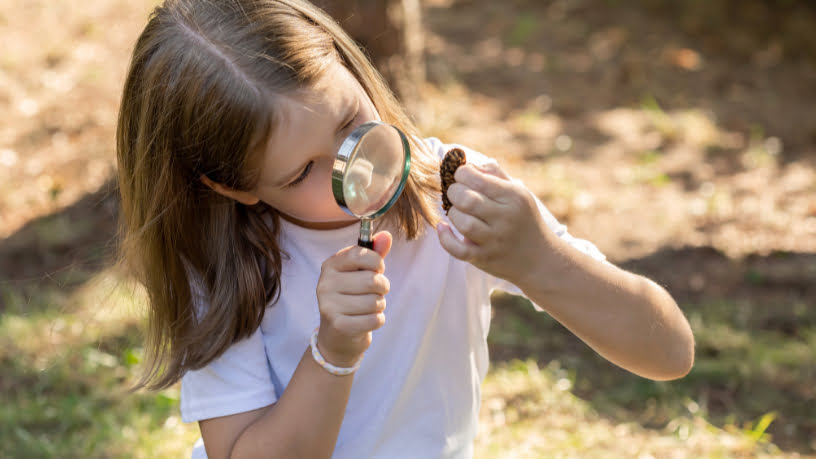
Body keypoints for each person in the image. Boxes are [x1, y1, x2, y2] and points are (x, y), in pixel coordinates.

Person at [115, 1, 695, 458]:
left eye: (350, 121)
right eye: (303, 172)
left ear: (348, 62)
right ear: (233, 188)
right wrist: (333, 351)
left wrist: (539, 259)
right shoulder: (219, 260)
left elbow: (669, 352)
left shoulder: (457, 191)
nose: (353, 163)